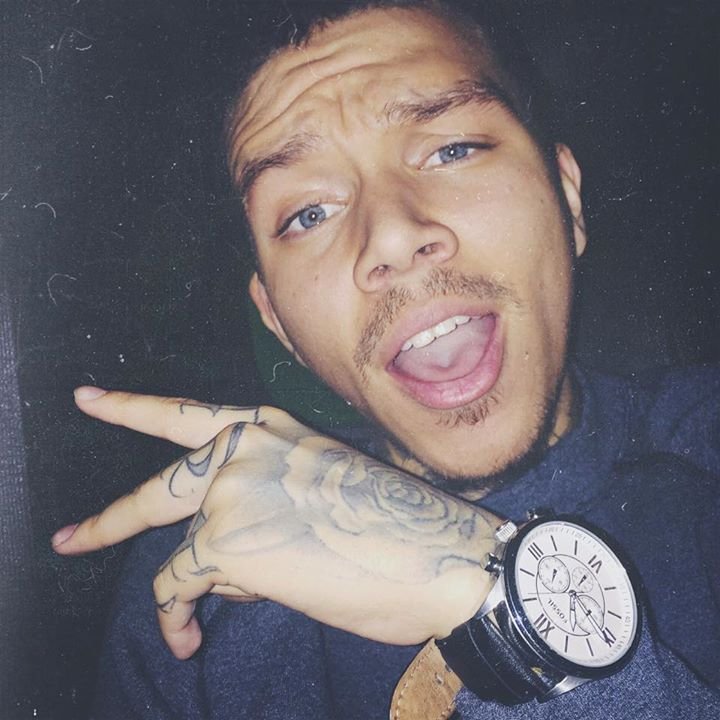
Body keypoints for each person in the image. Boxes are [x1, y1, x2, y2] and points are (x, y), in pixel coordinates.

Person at [52, 1, 719, 718]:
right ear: (279, 323)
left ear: (568, 200)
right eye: (309, 214)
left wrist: (491, 592)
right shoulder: (202, 578)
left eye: (451, 150)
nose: (393, 237)